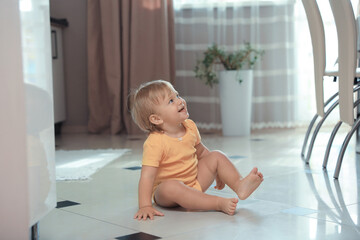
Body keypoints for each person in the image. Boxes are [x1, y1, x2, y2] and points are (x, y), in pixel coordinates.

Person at [130, 80, 263, 221]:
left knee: (216, 155)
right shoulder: (155, 142)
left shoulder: (190, 127)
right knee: (171, 186)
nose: (179, 101)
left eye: (177, 95)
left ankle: (240, 185)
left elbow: (203, 154)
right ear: (156, 119)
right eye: (170, 101)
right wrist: (144, 205)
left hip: (195, 183)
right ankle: (217, 203)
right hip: (166, 195)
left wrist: (219, 172)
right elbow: (147, 176)